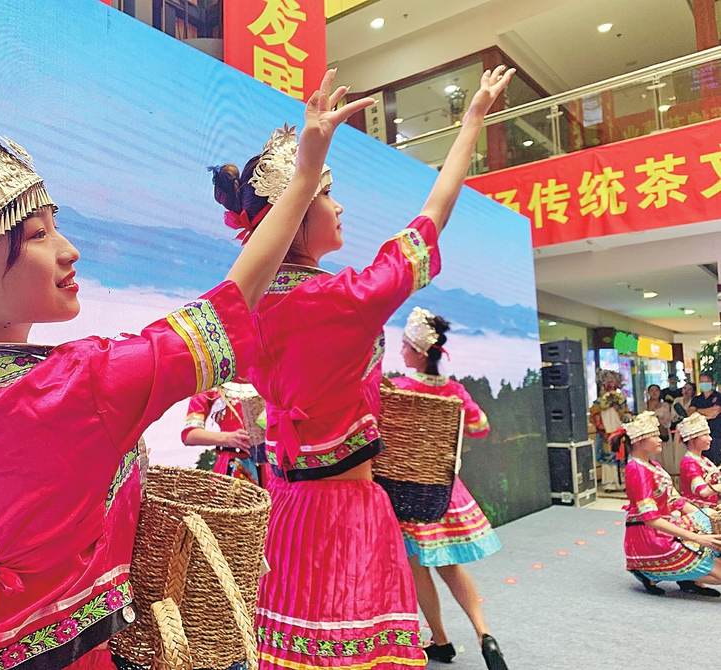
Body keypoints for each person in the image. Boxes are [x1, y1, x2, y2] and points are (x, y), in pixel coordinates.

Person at [0, 75, 372, 670]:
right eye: (38, 235)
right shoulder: (80, 386)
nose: (68, 250)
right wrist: (302, 180)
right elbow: (229, 307)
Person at [211, 67, 515, 670]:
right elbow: (434, 211)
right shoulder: (346, 298)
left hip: (286, 508)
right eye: (326, 193)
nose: (340, 204)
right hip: (348, 512)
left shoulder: (244, 305)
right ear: (295, 218)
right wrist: (474, 116)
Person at [391, 309, 506, 669]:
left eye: (405, 347)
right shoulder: (455, 390)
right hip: (444, 490)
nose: (401, 354)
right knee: (450, 566)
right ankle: (483, 633)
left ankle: (440, 640)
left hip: (408, 491)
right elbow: (480, 426)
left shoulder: (399, 388)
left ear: (420, 352)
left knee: (417, 568)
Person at [617, 412, 721, 597]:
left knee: (710, 527)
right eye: (655, 435)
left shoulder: (654, 466)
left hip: (666, 526)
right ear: (640, 441)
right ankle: (649, 570)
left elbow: (677, 501)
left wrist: (707, 516)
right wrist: (697, 538)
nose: (660, 439)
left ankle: (689, 575)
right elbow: (651, 519)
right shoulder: (637, 470)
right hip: (649, 536)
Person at [182, 381, 265, 486]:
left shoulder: (264, 375)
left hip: (271, 467)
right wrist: (227, 438)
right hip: (231, 466)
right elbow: (189, 435)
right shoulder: (211, 383)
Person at [589, 370, 631, 492]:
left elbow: (627, 415)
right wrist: (602, 426)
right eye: (608, 383)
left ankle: (622, 483)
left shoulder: (621, 401)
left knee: (621, 458)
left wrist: (622, 413)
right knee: (608, 459)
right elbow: (594, 417)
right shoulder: (598, 402)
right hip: (606, 433)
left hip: (619, 433)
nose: (611, 386)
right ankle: (609, 483)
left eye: (613, 383)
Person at [678, 413, 721, 506]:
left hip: (711, 508)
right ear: (692, 440)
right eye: (705, 435)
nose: (710, 438)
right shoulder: (689, 462)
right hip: (698, 512)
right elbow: (703, 491)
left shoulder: (704, 460)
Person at [689, 373, 721, 465]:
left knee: (716, 460)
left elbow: (715, 412)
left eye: (706, 381)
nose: (704, 384)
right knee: (703, 461)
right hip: (701, 435)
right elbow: (690, 413)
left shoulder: (718, 397)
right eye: (702, 382)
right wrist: (707, 412)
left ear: (713, 382)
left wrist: (698, 411)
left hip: (716, 434)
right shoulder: (696, 399)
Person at [645, 384, 674, 475]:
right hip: (650, 432)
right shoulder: (645, 405)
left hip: (662, 431)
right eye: (652, 390)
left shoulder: (665, 405)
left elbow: (668, 419)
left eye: (656, 390)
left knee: (664, 454)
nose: (654, 393)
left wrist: (658, 422)